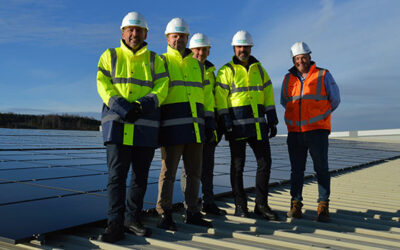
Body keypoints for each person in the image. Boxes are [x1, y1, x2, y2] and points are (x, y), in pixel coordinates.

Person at [96, 11, 168, 242]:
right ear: (123, 32)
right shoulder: (110, 55)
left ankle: (132, 219)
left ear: (145, 33)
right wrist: (120, 106)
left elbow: (163, 87)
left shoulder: (155, 59)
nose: (134, 34)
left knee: (139, 177)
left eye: (139, 30)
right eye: (130, 30)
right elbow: (102, 83)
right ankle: (114, 224)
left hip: (144, 126)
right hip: (117, 125)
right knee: (116, 177)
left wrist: (141, 105)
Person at [156, 18, 215, 230]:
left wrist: (209, 123)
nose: (179, 39)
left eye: (182, 36)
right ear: (167, 38)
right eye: (175, 35)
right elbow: (157, 96)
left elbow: (207, 97)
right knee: (168, 174)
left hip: (195, 129)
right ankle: (165, 213)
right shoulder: (161, 61)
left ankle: (192, 212)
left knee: (194, 173)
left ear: (187, 38)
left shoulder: (198, 67)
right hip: (171, 130)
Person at [215, 30, 279, 220]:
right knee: (237, 167)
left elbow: (267, 93)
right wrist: (225, 120)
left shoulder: (259, 69)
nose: (242, 49)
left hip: (259, 126)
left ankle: (261, 205)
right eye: (239, 46)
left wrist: (272, 118)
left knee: (264, 163)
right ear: (234, 48)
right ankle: (240, 206)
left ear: (251, 47)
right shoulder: (226, 70)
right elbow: (220, 97)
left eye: (246, 46)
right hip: (237, 127)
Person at [280, 42, 340, 222]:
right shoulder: (287, 79)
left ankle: (323, 206)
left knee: (321, 168)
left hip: (317, 132)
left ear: (309, 56)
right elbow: (285, 101)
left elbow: (334, 99)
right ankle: (296, 204)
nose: (301, 61)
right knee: (296, 170)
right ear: (293, 59)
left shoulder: (323, 74)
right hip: (295, 132)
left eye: (303, 57)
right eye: (297, 58)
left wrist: (319, 117)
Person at [184, 33, 226, 216]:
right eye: (197, 49)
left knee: (208, 167)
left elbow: (213, 99)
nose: (201, 53)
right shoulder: (184, 67)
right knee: (189, 169)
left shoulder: (211, 72)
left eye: (204, 49)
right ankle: (189, 206)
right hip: (189, 125)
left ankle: (208, 202)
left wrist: (216, 125)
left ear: (209, 51)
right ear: (191, 50)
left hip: (208, 126)